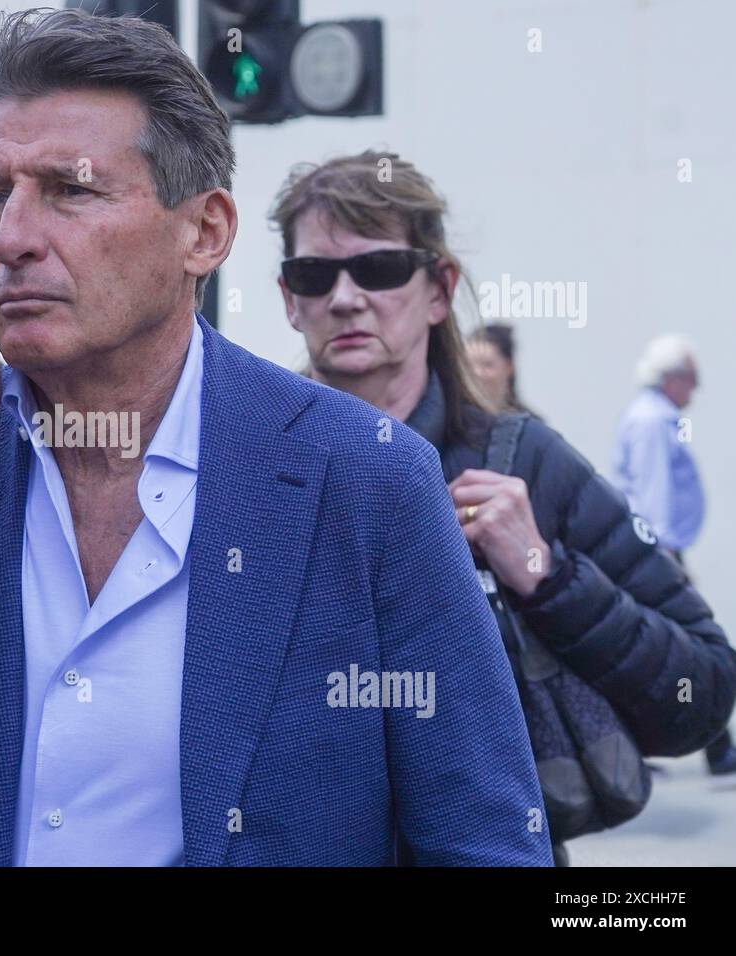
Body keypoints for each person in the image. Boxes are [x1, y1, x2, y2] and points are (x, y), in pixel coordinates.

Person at [0, 9, 550, 867]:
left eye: (72, 190)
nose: (15, 240)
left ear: (205, 232)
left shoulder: (364, 479)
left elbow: (482, 841)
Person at [270, 150, 736, 858]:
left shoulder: (524, 463)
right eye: (315, 274)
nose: (344, 297)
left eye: (380, 268)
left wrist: (547, 576)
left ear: (438, 288)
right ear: (287, 297)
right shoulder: (252, 463)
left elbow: (700, 694)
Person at [613, 336, 734, 774]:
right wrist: (665, 558)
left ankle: (711, 746)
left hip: (657, 550)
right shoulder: (652, 422)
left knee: (654, 646)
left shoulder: (658, 418)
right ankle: (717, 747)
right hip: (657, 550)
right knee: (689, 644)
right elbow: (654, 493)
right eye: (691, 379)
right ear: (672, 377)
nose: (695, 390)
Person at [468, 323, 535, 415]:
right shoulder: (453, 420)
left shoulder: (528, 425)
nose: (477, 372)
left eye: (487, 365)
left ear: (509, 366)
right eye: (468, 365)